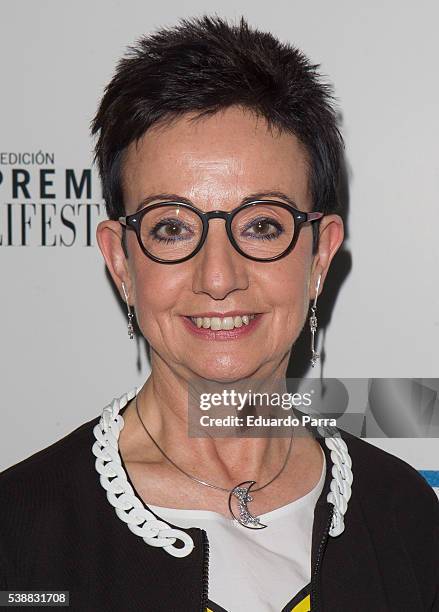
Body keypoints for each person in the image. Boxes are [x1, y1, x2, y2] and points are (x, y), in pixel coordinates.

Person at [0, 15, 438, 612]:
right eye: (172, 228)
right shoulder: (20, 535)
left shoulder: (405, 516)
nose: (218, 278)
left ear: (319, 255)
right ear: (121, 260)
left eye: (261, 225)